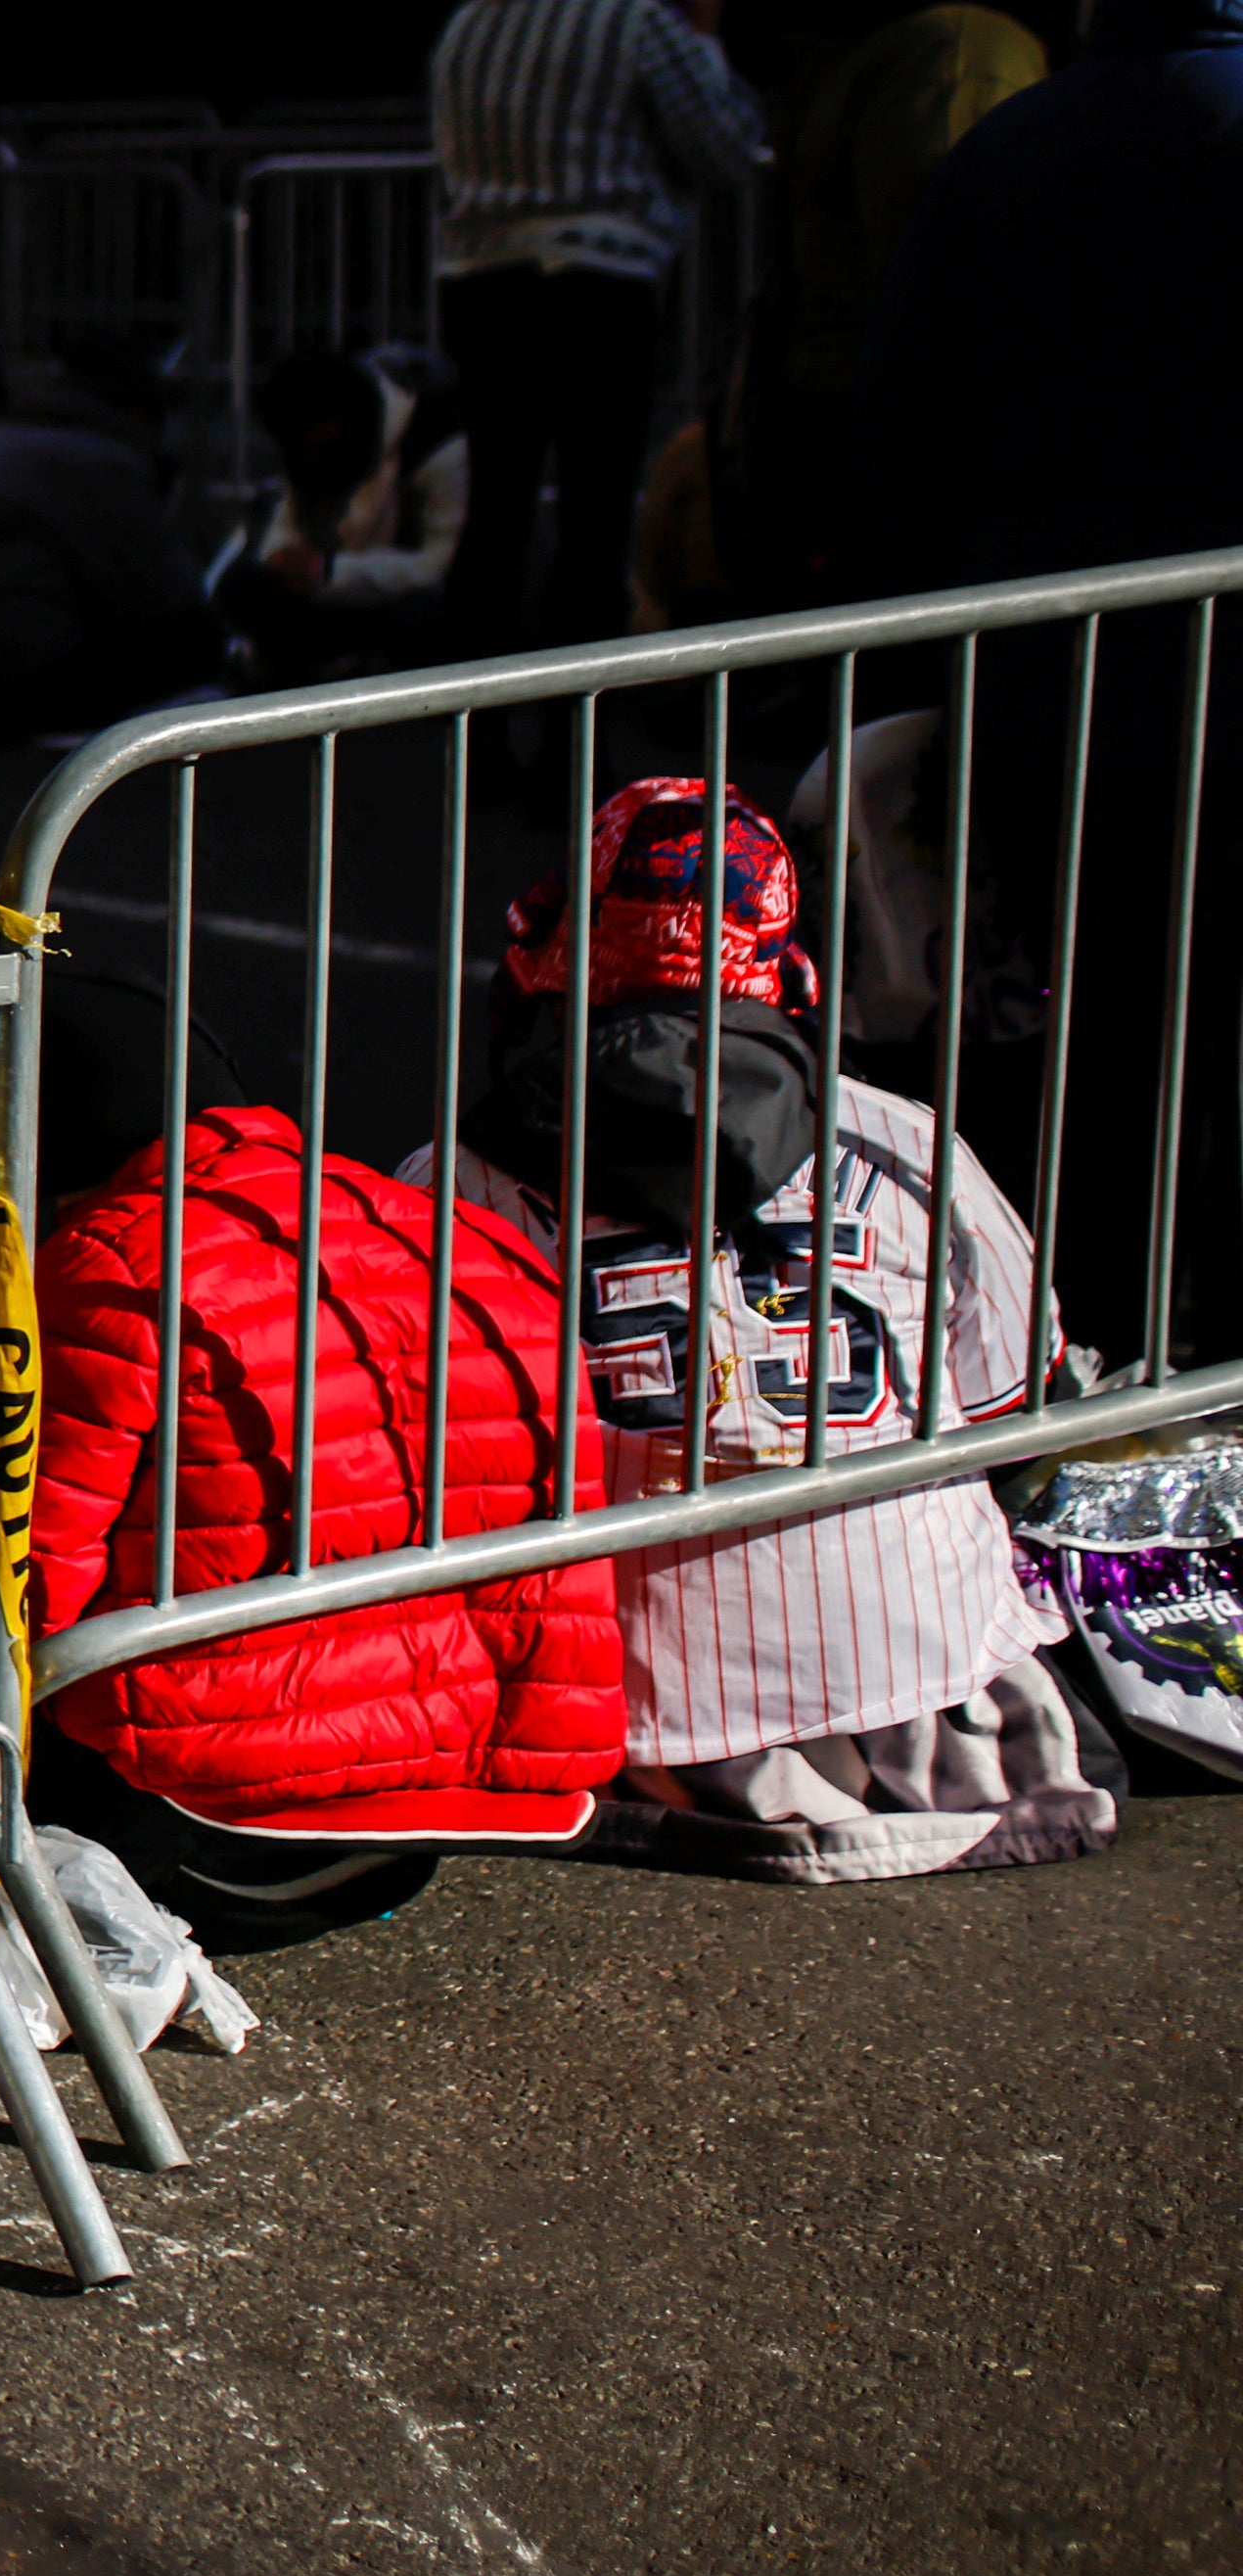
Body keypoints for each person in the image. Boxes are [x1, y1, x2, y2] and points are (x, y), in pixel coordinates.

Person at [420, 784, 1114, 1885]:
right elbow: (1016, 1410)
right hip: (931, 1709)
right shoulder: (904, 1142)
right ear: (786, 968)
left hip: (633, 1720)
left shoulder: (457, 1178)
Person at [857, 0, 1239, 1364]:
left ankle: (1086, 1361)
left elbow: (903, 448)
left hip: (1046, 693)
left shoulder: (1005, 150)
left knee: (1091, 1042)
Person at [0, 965, 622, 1942]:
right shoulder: (464, 1237)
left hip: (208, 1829)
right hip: (443, 1813)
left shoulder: (111, 1260)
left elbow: (16, 1584)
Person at [700, 0, 1117, 607]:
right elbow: (976, 279)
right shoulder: (967, 47)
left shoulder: (895, 35)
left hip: (854, 431)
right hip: (913, 453)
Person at [422, 0, 766, 659]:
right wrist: (710, 40)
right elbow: (724, 145)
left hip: (479, 283)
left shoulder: (474, 18)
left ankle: (480, 734)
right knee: (594, 509)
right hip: (597, 286)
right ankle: (574, 748)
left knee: (495, 509)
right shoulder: (639, 21)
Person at [0, 344, 207, 743]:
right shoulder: (101, 462)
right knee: (192, 646)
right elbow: (166, 597)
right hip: (15, 693)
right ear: (139, 415)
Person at [216, 344, 470, 690]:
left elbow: (440, 565)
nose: (315, 461)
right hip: (332, 591)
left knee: (420, 616)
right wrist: (283, 562)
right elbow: (284, 526)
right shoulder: (314, 442)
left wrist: (329, 572)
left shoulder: (436, 444)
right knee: (243, 586)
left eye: (323, 448)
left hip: (396, 600)